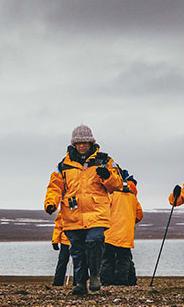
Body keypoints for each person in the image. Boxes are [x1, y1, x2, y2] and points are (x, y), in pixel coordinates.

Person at [43, 125, 124, 296]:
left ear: (91, 142)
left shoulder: (104, 160)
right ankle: (80, 283)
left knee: (95, 241)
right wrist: (51, 203)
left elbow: (117, 184)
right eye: (78, 143)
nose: (82, 146)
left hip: (97, 212)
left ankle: (94, 274)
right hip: (72, 213)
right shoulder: (64, 165)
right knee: (77, 250)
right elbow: (55, 186)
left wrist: (107, 176)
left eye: (85, 142)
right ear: (74, 144)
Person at [103, 170, 143, 286]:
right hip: (126, 234)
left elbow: (103, 211)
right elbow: (139, 215)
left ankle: (107, 282)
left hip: (109, 233)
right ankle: (122, 282)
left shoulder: (110, 195)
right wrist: (129, 221)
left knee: (107, 259)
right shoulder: (132, 197)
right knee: (124, 259)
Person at [50, 210, 71, 287]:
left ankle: (78, 282)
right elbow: (58, 225)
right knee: (63, 261)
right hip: (66, 240)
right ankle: (58, 282)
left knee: (78, 262)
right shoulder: (63, 211)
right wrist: (55, 240)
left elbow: (58, 226)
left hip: (74, 240)